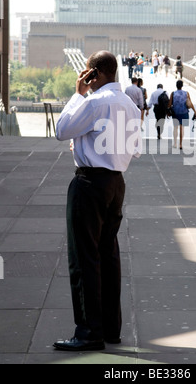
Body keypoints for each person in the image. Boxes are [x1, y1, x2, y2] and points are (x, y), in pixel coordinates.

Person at [54, 51, 142, 352]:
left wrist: (77, 95)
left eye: (86, 73)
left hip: (89, 183)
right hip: (116, 183)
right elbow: (134, 148)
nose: (84, 78)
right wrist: (90, 142)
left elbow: (61, 130)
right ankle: (109, 328)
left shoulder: (93, 101)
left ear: (94, 73)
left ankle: (88, 332)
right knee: (108, 255)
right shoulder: (130, 104)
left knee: (84, 258)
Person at [169, 80, 196, 150]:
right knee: (182, 128)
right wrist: (195, 112)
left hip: (175, 113)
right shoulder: (186, 93)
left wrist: (168, 112)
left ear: (176, 85)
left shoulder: (173, 93)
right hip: (184, 113)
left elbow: (169, 104)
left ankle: (175, 143)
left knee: (175, 127)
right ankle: (181, 144)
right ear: (182, 86)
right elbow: (190, 103)